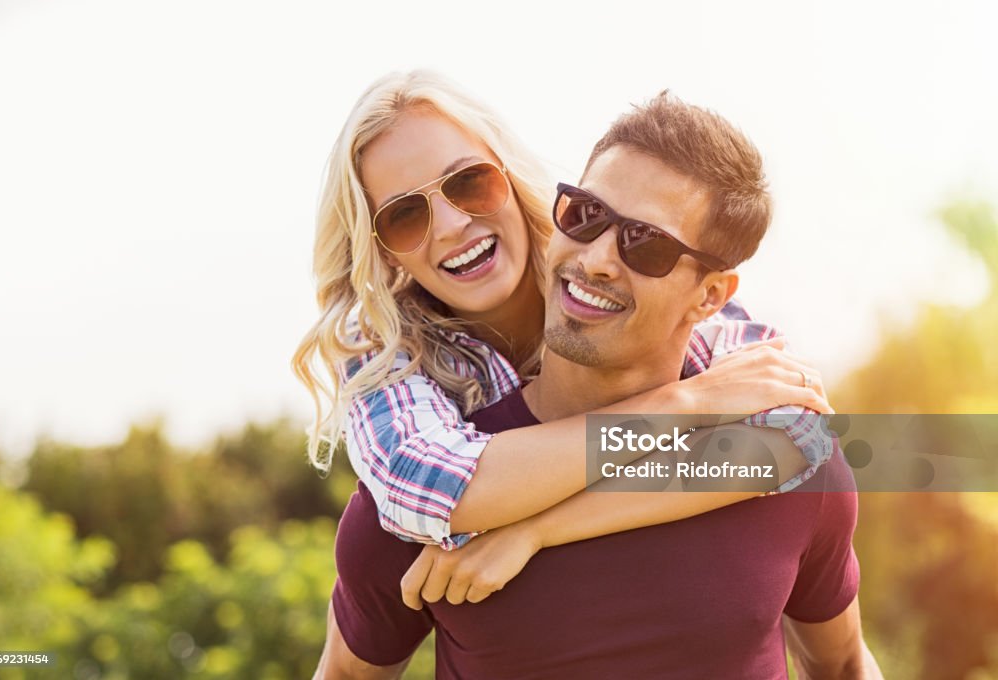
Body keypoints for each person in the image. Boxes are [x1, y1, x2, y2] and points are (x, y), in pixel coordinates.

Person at [315, 91, 881, 679]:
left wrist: (537, 529)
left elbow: (803, 443)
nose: (598, 259)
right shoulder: (422, 500)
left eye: (648, 244)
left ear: (710, 296)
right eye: (587, 216)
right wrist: (685, 403)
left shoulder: (763, 428)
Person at [291, 70, 833, 557]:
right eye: (405, 215)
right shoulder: (380, 349)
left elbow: (799, 432)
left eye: (468, 183)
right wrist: (685, 404)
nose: (452, 225)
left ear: (507, 171)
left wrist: (539, 529)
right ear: (382, 248)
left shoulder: (604, 258)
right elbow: (425, 489)